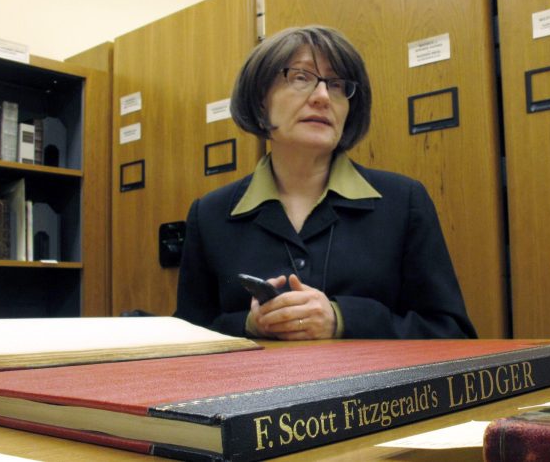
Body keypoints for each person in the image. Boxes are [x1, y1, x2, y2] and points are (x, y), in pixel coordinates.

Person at [175, 25, 477, 340]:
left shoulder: (402, 201)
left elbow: (451, 333)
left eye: (336, 85)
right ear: (260, 100)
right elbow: (187, 338)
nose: (322, 97)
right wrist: (249, 325)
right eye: (301, 77)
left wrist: (342, 319)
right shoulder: (210, 214)